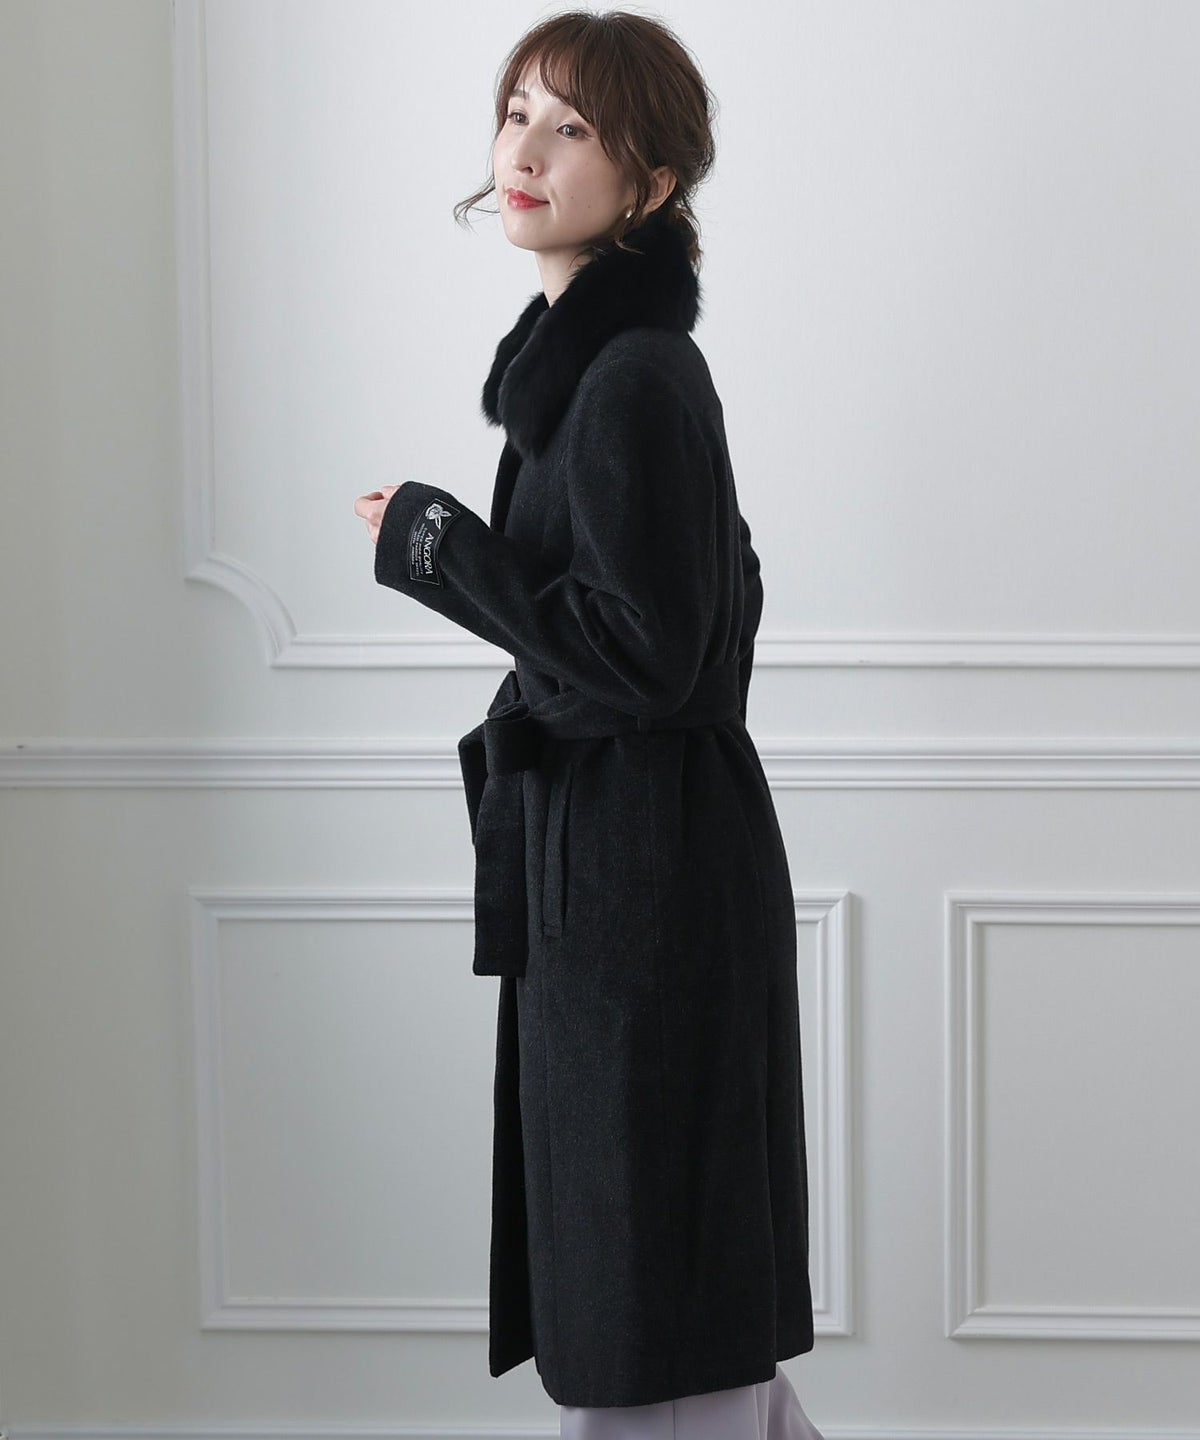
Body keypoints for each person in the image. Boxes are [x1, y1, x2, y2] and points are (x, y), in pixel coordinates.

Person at [354, 11, 825, 1438]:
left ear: (650, 183)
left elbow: (647, 653)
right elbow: (696, 614)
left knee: (653, 1296)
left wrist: (443, 547)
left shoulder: (631, 378)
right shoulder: (589, 373)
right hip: (622, 863)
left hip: (647, 880)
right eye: (517, 114)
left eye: (574, 129)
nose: (528, 150)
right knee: (653, 1281)